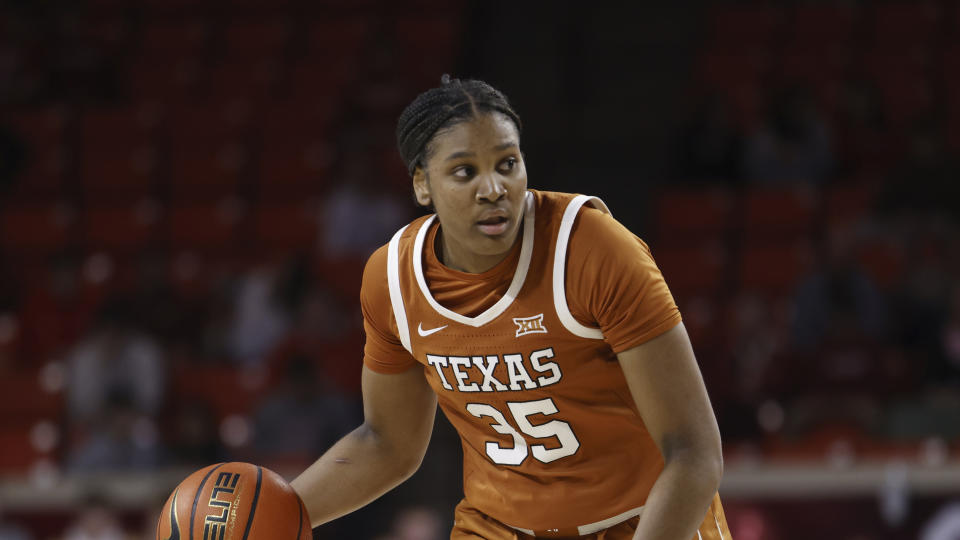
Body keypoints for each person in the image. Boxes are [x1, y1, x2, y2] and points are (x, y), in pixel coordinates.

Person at [292, 76, 731, 540]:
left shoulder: (594, 250)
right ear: (422, 184)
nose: (494, 188)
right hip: (499, 528)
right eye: (465, 172)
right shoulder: (392, 280)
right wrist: (281, 514)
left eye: (507, 164)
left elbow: (694, 454)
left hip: (641, 521)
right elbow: (387, 444)